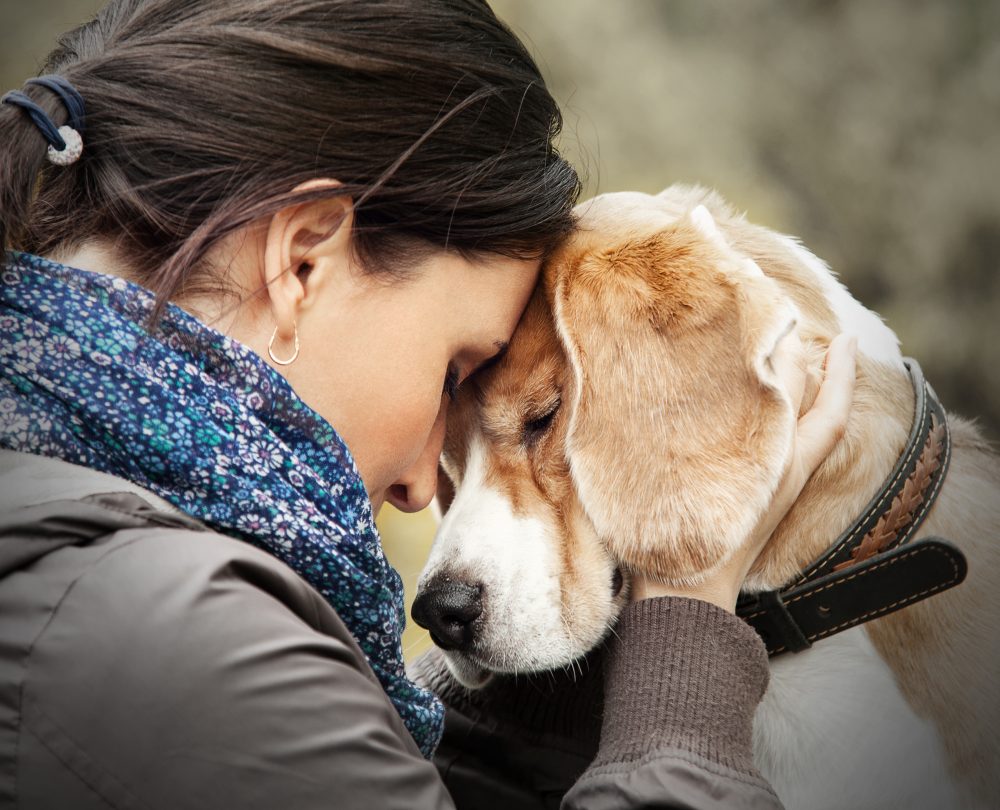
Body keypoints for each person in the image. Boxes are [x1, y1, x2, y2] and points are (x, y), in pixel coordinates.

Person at [0, 1, 856, 807]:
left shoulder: (63, 532)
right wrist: (686, 631)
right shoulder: (179, 640)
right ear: (301, 262)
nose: (420, 488)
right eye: (455, 371)